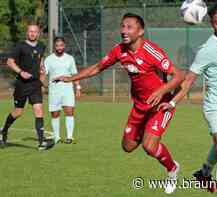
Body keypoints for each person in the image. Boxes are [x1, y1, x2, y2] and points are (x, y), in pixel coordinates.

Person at [54, 13, 185, 194]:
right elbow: (98, 67)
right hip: (139, 107)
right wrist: (72, 78)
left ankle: (172, 169)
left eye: (129, 27)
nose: (124, 30)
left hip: (160, 106)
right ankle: (149, 135)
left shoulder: (152, 51)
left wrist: (161, 91)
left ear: (140, 31)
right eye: (122, 26)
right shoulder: (119, 50)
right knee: (128, 147)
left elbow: (179, 75)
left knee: (149, 146)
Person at [159, 2, 217, 196]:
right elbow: (189, 80)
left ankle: (204, 172)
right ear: (211, 24)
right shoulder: (207, 50)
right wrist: (173, 101)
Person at [0, 24, 54, 150]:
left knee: (39, 109)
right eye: (30, 31)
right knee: (18, 112)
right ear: (27, 33)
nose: (32, 34)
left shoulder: (41, 46)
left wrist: (42, 78)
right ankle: (4, 130)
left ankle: (41, 143)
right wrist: (20, 72)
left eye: (35, 32)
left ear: (38, 33)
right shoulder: (20, 46)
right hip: (21, 85)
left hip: (35, 84)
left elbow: (40, 63)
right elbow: (9, 62)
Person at [44, 36, 81, 144]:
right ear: (54, 46)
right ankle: (57, 137)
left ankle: (69, 137)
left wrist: (77, 87)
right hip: (54, 91)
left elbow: (75, 74)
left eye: (61, 45)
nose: (59, 47)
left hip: (68, 90)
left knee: (69, 112)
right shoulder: (48, 59)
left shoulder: (70, 58)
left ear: (64, 46)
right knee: (55, 114)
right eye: (57, 45)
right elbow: (43, 73)